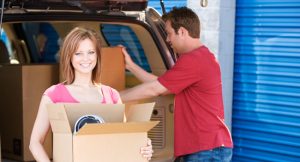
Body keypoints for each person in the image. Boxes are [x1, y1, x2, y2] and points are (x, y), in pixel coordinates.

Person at [120, 7, 233, 162]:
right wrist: (131, 66)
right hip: (207, 148)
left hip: (206, 149)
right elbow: (160, 84)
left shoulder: (194, 60)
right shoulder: (200, 57)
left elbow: (155, 89)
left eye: (169, 33)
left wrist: (112, 98)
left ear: (181, 31)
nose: (167, 39)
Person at [29, 27, 153, 162]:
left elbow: (122, 137)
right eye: (78, 53)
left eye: (91, 52)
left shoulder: (111, 95)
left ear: (97, 55)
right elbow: (35, 142)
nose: (86, 58)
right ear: (69, 56)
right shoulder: (54, 94)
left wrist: (144, 146)